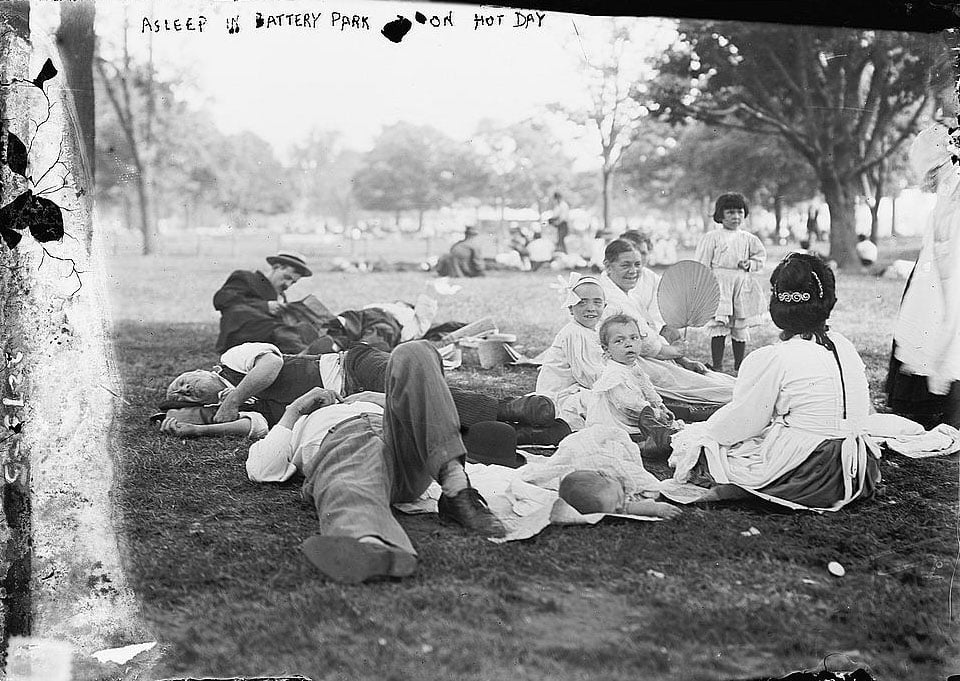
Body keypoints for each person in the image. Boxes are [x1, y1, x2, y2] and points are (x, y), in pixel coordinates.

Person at [244, 341, 507, 583]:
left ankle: (456, 490)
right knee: (351, 472)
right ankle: (369, 544)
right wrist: (294, 411)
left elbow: (424, 411)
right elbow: (263, 469)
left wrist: (380, 400)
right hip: (343, 444)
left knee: (414, 351)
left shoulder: (369, 399)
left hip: (404, 450)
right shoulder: (295, 423)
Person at [669, 253, 881, 511]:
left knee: (706, 445)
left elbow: (744, 421)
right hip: (860, 468)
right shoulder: (843, 345)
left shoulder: (776, 356)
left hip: (813, 470)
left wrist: (704, 433)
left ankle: (740, 487)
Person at [157, 341, 560, 445]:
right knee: (409, 418)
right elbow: (256, 428)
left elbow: (273, 365)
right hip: (346, 403)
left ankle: (507, 407)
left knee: (406, 384)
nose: (184, 386)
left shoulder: (234, 359)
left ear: (203, 369)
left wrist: (229, 398)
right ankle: (518, 434)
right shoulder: (241, 408)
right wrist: (199, 430)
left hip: (352, 366)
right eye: (183, 393)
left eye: (182, 378)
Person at [599, 239, 736, 420]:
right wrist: (673, 351)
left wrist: (682, 358)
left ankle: (742, 388)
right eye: (625, 265)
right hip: (629, 359)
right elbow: (645, 344)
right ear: (608, 266)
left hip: (646, 354)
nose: (633, 271)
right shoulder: (608, 297)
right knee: (694, 385)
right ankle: (737, 394)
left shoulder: (630, 294)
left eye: (637, 265)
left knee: (702, 378)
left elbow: (652, 329)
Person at [887, 123, 960, 428]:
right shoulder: (948, 185)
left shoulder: (953, 183)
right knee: (940, 330)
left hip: (950, 264)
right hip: (942, 265)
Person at [695, 194, 767, 372]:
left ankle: (740, 365)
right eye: (730, 212)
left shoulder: (748, 238)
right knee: (720, 324)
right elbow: (702, 262)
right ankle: (717, 365)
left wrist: (750, 264)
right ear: (721, 215)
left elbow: (760, 258)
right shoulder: (712, 237)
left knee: (739, 324)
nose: (736, 217)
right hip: (719, 284)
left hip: (741, 284)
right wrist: (704, 284)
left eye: (740, 212)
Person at [587, 314, 678, 450]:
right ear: (607, 349)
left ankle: (655, 438)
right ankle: (647, 444)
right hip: (619, 421)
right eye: (619, 341)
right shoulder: (614, 374)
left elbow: (647, 388)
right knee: (635, 431)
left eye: (634, 338)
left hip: (637, 415)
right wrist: (656, 413)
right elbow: (629, 405)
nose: (628, 344)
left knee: (655, 420)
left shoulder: (633, 366)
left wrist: (660, 406)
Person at [535, 273, 607, 431]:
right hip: (558, 398)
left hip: (576, 389)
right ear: (571, 309)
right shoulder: (574, 333)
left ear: (605, 306)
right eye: (582, 303)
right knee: (605, 404)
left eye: (597, 302)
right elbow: (589, 376)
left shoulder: (592, 331)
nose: (591, 308)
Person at [213, 251, 318, 354]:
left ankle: (312, 350)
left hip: (266, 338)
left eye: (293, 282)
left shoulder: (280, 297)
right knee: (281, 332)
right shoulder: (247, 278)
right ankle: (306, 353)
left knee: (298, 328)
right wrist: (265, 306)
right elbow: (222, 299)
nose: (287, 284)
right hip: (241, 333)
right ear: (276, 267)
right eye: (287, 278)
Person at [617, 230, 682, 343]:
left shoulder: (653, 279)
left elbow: (656, 316)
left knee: (672, 332)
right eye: (630, 251)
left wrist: (648, 336)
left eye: (642, 253)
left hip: (648, 332)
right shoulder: (612, 276)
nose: (636, 257)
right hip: (619, 332)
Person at [558, 470, 681, 519]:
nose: (620, 506)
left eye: (619, 496)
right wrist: (657, 509)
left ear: (607, 476)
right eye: (615, 510)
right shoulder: (615, 500)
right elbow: (629, 507)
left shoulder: (611, 475)